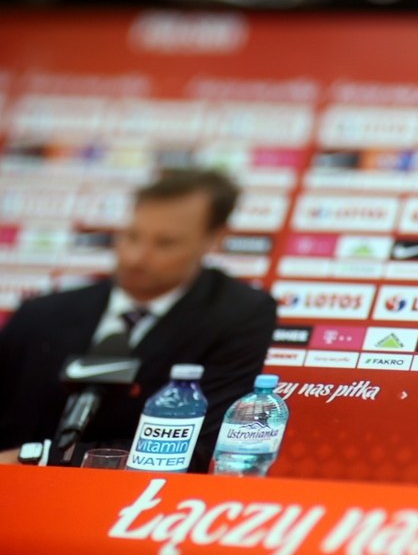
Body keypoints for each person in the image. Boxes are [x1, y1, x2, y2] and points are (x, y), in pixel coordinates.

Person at [0, 168, 277, 471]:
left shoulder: (238, 315)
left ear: (214, 239)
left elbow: (199, 448)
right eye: (132, 236)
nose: (136, 257)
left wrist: (36, 458)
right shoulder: (42, 313)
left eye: (165, 243)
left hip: (140, 503)